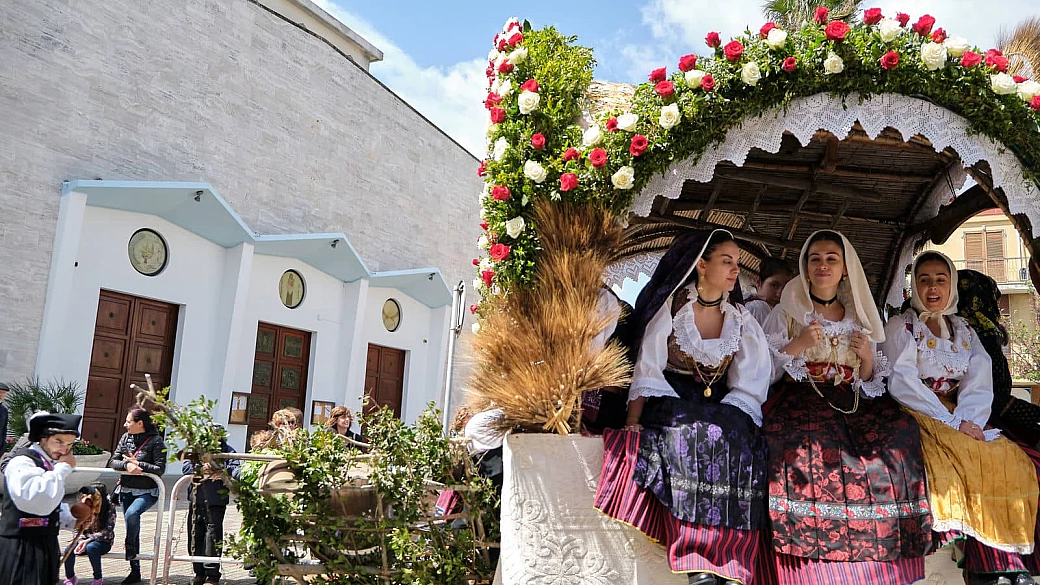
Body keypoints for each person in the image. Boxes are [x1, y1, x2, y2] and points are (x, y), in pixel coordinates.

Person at [595, 229, 774, 585]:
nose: (735, 270)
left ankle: (731, 562)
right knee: (690, 436)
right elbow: (648, 365)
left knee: (736, 439)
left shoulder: (740, 317)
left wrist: (737, 413)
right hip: (671, 398)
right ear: (701, 265)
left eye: (737, 263)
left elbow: (751, 377)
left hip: (719, 402)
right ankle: (697, 561)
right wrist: (633, 420)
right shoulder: (673, 308)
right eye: (727, 261)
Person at [761, 229, 932, 585]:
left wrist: (867, 356)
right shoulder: (786, 313)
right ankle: (810, 564)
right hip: (801, 398)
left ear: (844, 270)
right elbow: (765, 369)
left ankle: (883, 555)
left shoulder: (858, 316)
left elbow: (868, 381)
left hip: (852, 403)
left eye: (831, 259)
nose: (823, 265)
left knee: (900, 435)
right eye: (815, 259)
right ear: (805, 269)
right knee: (808, 447)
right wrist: (799, 343)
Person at [884, 252, 1040, 585]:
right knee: (959, 462)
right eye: (924, 280)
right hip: (919, 411)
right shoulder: (902, 326)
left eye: (940, 279)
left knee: (1007, 457)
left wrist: (969, 420)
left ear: (951, 285)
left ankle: (1008, 561)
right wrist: (952, 423)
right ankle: (987, 564)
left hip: (958, 411)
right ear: (914, 285)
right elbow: (903, 382)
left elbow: (978, 380)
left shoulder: (963, 329)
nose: (932, 288)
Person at [0, 412, 89, 585]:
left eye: (69, 444)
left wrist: (71, 520)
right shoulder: (22, 462)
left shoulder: (47, 463)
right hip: (21, 547)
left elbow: (51, 506)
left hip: (44, 545)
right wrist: (63, 468)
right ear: (42, 438)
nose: (64, 450)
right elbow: (38, 499)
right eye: (59, 441)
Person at [108, 407, 167, 584]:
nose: (125, 425)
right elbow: (113, 460)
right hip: (126, 490)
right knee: (132, 527)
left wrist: (139, 464)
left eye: (128, 422)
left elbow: (160, 468)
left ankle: (130, 550)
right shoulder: (126, 438)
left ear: (139, 423)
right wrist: (126, 466)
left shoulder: (156, 441)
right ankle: (135, 570)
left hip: (147, 491)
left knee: (132, 514)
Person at [181, 425, 241, 585]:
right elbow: (186, 467)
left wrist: (221, 471)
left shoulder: (228, 451)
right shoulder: (196, 449)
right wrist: (201, 469)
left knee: (212, 538)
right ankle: (198, 573)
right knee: (195, 537)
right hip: (196, 500)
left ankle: (212, 575)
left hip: (216, 501)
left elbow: (236, 470)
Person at [63, 482, 117, 585]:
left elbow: (107, 530)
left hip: (102, 541)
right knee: (68, 550)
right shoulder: (83, 506)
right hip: (82, 540)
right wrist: (80, 540)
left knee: (92, 547)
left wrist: (89, 540)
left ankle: (98, 578)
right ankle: (70, 577)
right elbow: (76, 528)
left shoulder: (109, 507)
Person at [744, 257, 794, 325]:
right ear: (758, 282)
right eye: (774, 285)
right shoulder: (759, 308)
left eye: (786, 288)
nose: (779, 294)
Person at [0, 382, 9, 450]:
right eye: (0, 392)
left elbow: (4, 430)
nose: (1, 395)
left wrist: (3, 447)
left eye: (3, 393)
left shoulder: (4, 410)